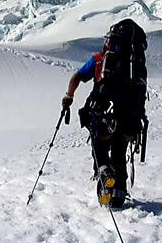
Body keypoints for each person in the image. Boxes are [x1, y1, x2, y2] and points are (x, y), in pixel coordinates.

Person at [62, 19, 148, 209]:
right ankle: (117, 196)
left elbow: (76, 76)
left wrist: (69, 96)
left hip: (102, 111)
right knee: (119, 152)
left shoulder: (100, 59)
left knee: (99, 145)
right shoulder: (136, 64)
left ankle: (104, 171)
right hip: (129, 115)